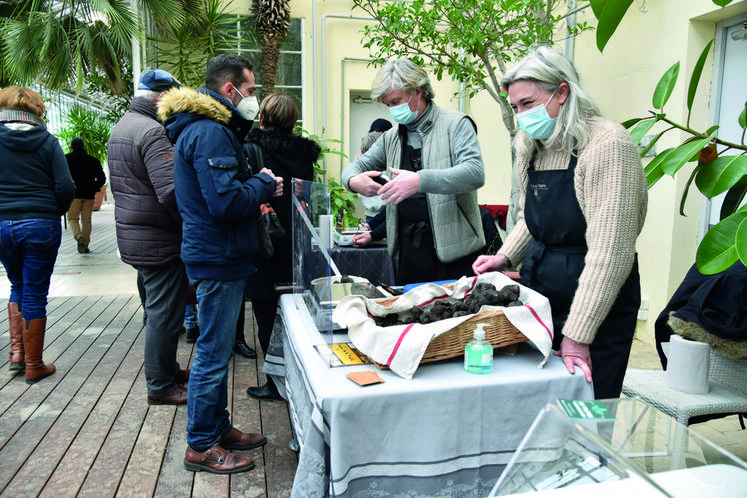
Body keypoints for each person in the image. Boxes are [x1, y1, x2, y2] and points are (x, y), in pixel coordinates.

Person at [472, 46, 648, 399]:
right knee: (540, 402)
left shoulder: (606, 144)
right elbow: (531, 217)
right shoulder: (533, 147)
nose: (521, 115)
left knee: (586, 408)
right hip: (543, 293)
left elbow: (610, 253)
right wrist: (505, 256)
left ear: (562, 92)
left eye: (529, 103)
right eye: (516, 107)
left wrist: (579, 334)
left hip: (597, 302)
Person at [159, 53, 282, 474]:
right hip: (218, 257)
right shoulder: (210, 132)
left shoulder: (208, 129)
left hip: (220, 255)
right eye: (250, 91)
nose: (253, 99)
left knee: (215, 349)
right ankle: (200, 445)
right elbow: (225, 201)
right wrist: (263, 185)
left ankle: (216, 428)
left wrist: (256, 186)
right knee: (212, 354)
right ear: (229, 90)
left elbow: (224, 193)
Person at [342, 59, 486, 285]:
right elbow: (354, 167)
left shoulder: (456, 124)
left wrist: (420, 181)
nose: (392, 109)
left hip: (455, 252)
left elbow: (474, 172)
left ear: (418, 91)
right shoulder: (390, 138)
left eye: (396, 101)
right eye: (387, 104)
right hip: (410, 252)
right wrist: (353, 181)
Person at [108, 69, 191, 406]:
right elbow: (171, 193)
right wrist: (189, 226)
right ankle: (160, 384)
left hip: (137, 235)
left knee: (157, 307)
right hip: (158, 238)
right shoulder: (153, 132)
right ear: (160, 96)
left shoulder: (124, 125)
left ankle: (167, 369)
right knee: (164, 314)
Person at [244, 93, 319, 402]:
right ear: (293, 122)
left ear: (262, 119)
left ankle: (276, 383)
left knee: (265, 311)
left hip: (265, 243)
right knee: (295, 314)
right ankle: (298, 379)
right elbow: (308, 199)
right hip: (297, 245)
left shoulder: (252, 149)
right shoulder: (304, 156)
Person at [0, 86, 75, 383]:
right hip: (40, 224)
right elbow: (66, 186)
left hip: (1, 224)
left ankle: (17, 354)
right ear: (35, 110)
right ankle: (34, 364)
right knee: (35, 291)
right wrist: (52, 210)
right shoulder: (47, 141)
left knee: (17, 283)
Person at [65, 138, 106, 254]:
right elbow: (102, 178)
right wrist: (94, 187)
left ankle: (78, 237)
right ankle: (85, 245)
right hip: (89, 195)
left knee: (72, 218)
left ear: (71, 147)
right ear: (84, 146)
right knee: (86, 220)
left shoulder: (66, 159)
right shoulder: (93, 160)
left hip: (74, 194)